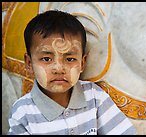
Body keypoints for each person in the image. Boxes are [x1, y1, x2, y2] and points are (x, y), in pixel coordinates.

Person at [7, 10, 136, 135]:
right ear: (29, 63)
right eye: (46, 59)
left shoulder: (94, 97)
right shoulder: (23, 112)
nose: (59, 68)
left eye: (70, 59)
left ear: (82, 63)